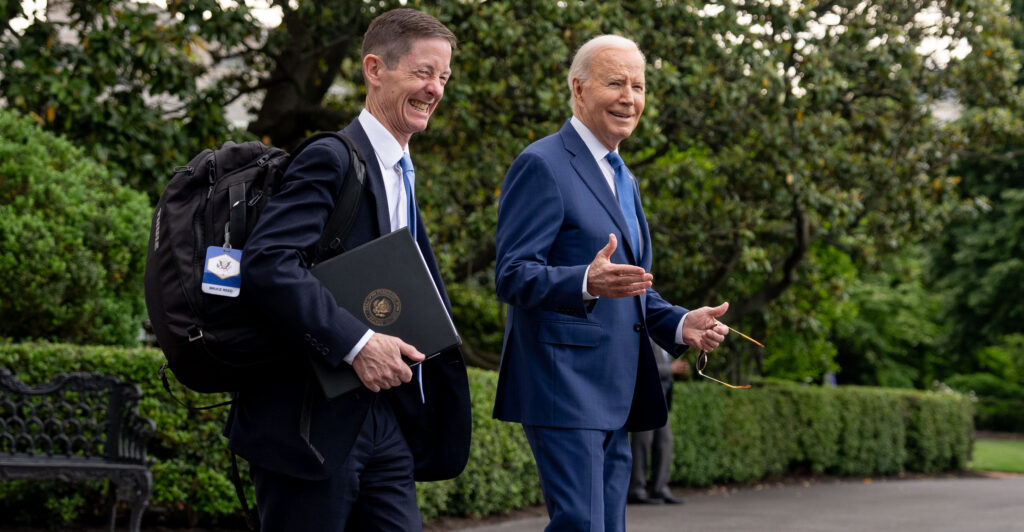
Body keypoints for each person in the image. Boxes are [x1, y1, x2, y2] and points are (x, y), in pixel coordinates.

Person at [224, 9, 471, 531]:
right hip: (310, 424)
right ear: (374, 69)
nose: (435, 89)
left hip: (386, 420)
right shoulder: (331, 158)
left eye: (444, 77)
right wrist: (358, 343)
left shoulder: (403, 174)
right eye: (423, 73)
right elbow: (268, 264)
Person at [492, 34, 731, 532]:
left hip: (617, 390)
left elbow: (632, 285)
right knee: (582, 525)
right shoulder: (541, 163)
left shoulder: (624, 176)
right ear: (579, 90)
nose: (630, 97)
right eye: (616, 83)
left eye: (639, 86)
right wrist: (584, 281)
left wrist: (682, 322)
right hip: (564, 385)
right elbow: (512, 274)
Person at [628, 340, 689, 505]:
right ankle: (636, 490)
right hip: (643, 399)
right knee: (642, 444)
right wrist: (671, 369)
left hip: (660, 400)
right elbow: (640, 367)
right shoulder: (645, 338)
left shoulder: (664, 342)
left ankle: (659, 488)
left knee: (665, 442)